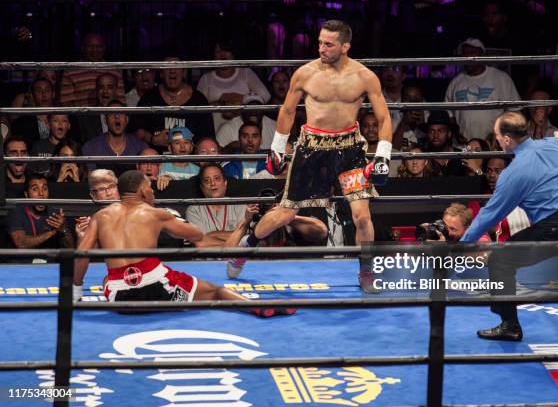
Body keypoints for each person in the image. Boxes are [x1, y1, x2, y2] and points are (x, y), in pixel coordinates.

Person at [237, 20, 393, 292]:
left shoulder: (365, 76)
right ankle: (247, 245)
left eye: (328, 43)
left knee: (362, 216)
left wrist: (383, 155)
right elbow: (287, 111)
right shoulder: (305, 74)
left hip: (349, 152)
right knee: (286, 214)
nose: (321, 48)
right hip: (312, 151)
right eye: (320, 42)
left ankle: (366, 271)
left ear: (345, 46)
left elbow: (383, 116)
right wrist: (277, 148)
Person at [460, 111, 558, 341]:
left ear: (507, 139)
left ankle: (509, 325)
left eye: (497, 135)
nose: (496, 140)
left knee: (501, 259)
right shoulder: (555, 146)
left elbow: (489, 215)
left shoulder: (513, 174)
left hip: (554, 227)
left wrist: (463, 243)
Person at [73, 170, 295, 317]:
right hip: (157, 287)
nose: (151, 190)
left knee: (107, 279)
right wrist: (172, 218)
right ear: (142, 191)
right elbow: (197, 234)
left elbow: (81, 254)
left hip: (119, 297)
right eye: (149, 187)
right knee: (216, 292)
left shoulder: (101, 216)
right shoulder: (155, 213)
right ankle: (256, 307)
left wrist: (75, 293)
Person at [8, 173, 75, 251]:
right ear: (26, 194)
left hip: (48, 262)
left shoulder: (55, 214)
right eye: (35, 189)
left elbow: (71, 248)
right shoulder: (17, 213)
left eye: (45, 188)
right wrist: (51, 233)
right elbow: (21, 243)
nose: (41, 194)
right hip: (23, 262)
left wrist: (63, 230)